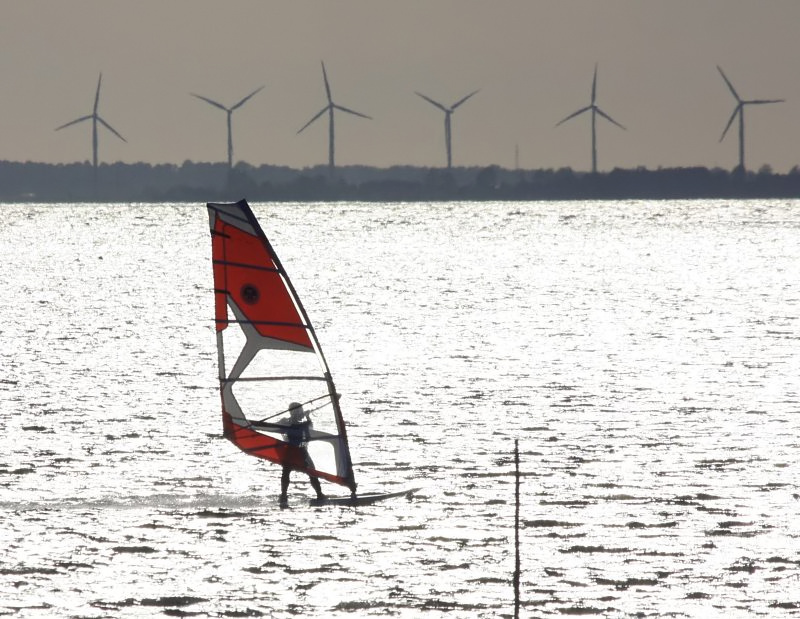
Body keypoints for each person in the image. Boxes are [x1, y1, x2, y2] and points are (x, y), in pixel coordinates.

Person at [278, 402, 325, 504]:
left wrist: (307, 417)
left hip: (300, 451)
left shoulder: (303, 424)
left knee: (312, 472)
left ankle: (320, 495)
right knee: (287, 473)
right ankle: (283, 496)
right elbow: (277, 427)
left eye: (300, 411)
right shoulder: (286, 422)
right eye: (297, 411)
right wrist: (306, 419)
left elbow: (309, 433)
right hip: (293, 452)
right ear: (291, 412)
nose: (300, 412)